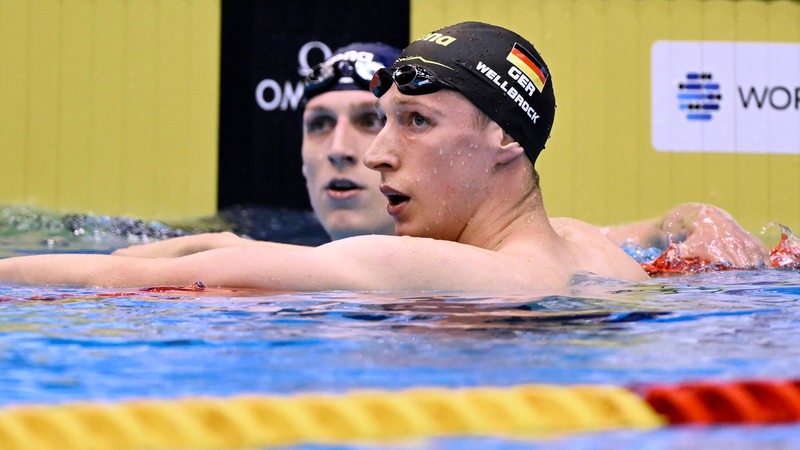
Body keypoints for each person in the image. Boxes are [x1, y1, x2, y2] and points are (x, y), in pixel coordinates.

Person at [0, 21, 650, 290]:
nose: (374, 156)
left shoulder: (424, 268)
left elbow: (120, 282)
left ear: (505, 140)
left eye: (416, 121)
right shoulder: (598, 252)